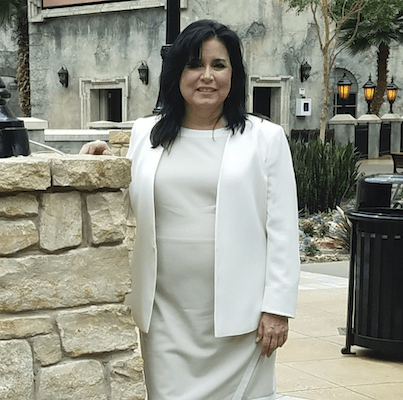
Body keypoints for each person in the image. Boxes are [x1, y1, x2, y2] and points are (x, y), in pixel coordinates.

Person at [81, 19, 300, 400]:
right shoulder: (145, 135)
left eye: (219, 65)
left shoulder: (265, 139)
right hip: (165, 314)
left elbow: (282, 228)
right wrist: (101, 162)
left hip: (240, 319)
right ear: (177, 72)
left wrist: (277, 309)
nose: (207, 76)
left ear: (234, 74)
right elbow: (125, 196)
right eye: (195, 64)